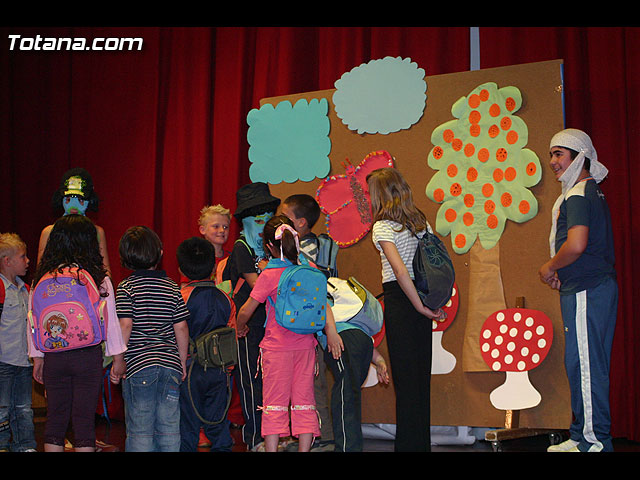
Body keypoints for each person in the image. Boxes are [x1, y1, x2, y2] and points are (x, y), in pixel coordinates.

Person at [236, 215, 343, 452]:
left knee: (274, 403)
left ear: (269, 246)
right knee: (305, 402)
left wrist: (240, 326)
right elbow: (324, 304)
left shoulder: (269, 275)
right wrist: (332, 332)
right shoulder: (310, 269)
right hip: (306, 348)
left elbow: (246, 310)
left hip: (276, 349)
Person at [539, 128, 617, 453]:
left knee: (586, 367)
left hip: (588, 290)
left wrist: (550, 267)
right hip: (583, 287)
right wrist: (563, 273)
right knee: (580, 364)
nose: (553, 161)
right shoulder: (585, 191)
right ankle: (581, 435)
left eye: (559, 154)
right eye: (551, 154)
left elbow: (576, 244)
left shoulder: (579, 193)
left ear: (579, 157)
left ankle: (595, 441)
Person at [27, 215, 126, 452]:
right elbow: (111, 323)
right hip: (87, 357)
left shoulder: (41, 279)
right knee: (84, 421)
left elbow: (32, 321)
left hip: (54, 356)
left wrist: (37, 357)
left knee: (55, 419)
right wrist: (118, 359)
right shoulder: (99, 278)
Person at [366, 167, 444, 452]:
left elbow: (399, 271)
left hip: (402, 301)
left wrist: (418, 307)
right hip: (421, 296)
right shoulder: (419, 221)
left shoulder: (382, 227)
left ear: (380, 195)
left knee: (406, 381)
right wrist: (426, 303)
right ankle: (419, 444)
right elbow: (434, 262)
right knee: (419, 380)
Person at [115, 225, 190, 452]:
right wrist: (182, 361)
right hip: (170, 365)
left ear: (125, 257)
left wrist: (119, 360)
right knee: (169, 427)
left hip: (139, 366)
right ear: (160, 253)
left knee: (140, 428)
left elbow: (125, 325)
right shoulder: (172, 287)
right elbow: (181, 327)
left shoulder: (126, 288)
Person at [222, 182, 280, 451]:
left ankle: (273, 436)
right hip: (246, 325)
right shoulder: (242, 247)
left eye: (268, 216)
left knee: (271, 383)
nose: (263, 222)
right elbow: (259, 286)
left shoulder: (271, 247)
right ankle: (255, 437)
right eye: (257, 217)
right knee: (250, 382)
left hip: (271, 325)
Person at [281, 193, 335, 451]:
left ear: (300, 223)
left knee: (313, 383)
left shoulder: (303, 251)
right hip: (318, 324)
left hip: (310, 326)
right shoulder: (321, 245)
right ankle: (310, 435)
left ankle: (322, 437)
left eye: (285, 218)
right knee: (310, 383)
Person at [176, 237, 234, 452]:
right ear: (213, 268)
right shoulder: (225, 298)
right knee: (217, 420)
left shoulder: (181, 297)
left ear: (181, 268)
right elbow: (232, 334)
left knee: (188, 423)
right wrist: (228, 369)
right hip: (219, 370)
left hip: (189, 370)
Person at [318, 321, 389, 452]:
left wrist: (331, 331)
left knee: (346, 396)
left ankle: (347, 448)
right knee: (350, 396)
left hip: (344, 337)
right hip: (360, 341)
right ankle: (351, 447)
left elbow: (327, 308)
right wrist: (379, 359)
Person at [0, 233, 37, 452]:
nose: (27, 260)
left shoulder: (27, 290)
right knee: (2, 408)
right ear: (7, 261)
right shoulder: (1, 290)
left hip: (24, 361)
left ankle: (25, 446)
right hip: (3, 361)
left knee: (24, 408)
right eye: (23, 256)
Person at [37, 168, 111, 276]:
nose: (74, 205)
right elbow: (41, 271)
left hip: (88, 285)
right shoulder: (49, 232)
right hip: (57, 285)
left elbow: (105, 270)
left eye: (80, 200)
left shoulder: (97, 232)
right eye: (68, 199)